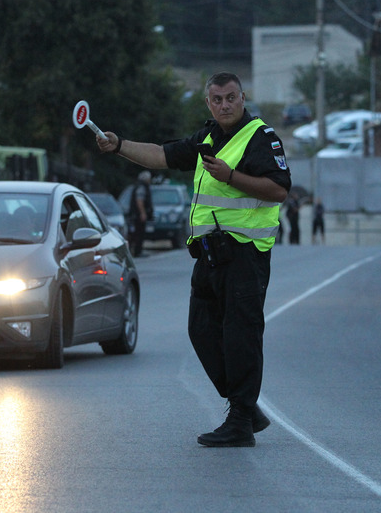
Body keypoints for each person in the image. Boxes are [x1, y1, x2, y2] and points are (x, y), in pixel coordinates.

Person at [95, 72, 291, 447]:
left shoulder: (261, 137)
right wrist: (118, 144)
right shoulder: (207, 138)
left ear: (243, 97)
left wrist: (232, 176)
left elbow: (278, 189)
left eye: (231, 97)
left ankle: (239, 418)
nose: (224, 105)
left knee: (241, 336)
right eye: (216, 99)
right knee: (201, 330)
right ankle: (244, 407)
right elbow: (161, 155)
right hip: (209, 254)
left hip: (245, 253)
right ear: (208, 103)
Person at [127, 171, 153, 257]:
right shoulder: (142, 187)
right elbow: (139, 201)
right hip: (138, 215)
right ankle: (137, 251)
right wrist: (143, 213)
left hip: (136, 214)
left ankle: (136, 251)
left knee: (136, 233)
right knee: (139, 233)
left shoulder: (139, 186)